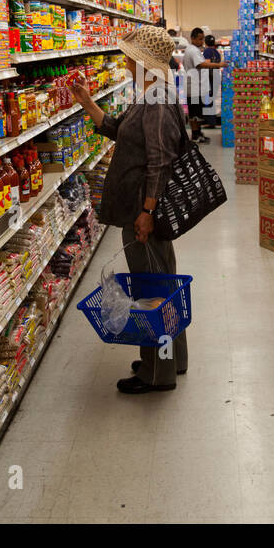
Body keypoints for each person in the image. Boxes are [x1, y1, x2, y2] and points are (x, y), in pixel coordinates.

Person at [71, 25, 189, 394]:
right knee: (162, 282)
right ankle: (171, 359)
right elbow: (116, 129)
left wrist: (147, 212)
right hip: (143, 210)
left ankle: (157, 374)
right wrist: (87, 102)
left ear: (143, 62)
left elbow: (160, 162)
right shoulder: (151, 95)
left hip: (144, 212)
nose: (123, 62)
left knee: (152, 289)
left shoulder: (157, 101)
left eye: (129, 57)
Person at [180, 27, 222, 143]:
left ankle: (198, 132)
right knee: (194, 113)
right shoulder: (192, 50)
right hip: (194, 88)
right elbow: (201, 65)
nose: (201, 41)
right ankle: (195, 135)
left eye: (202, 39)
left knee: (197, 112)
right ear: (192, 38)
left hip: (196, 87)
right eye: (199, 39)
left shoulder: (194, 49)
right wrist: (219, 64)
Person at [201, 34, 223, 125]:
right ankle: (212, 119)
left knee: (207, 99)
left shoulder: (207, 52)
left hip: (209, 77)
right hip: (216, 75)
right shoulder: (217, 52)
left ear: (205, 43)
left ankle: (209, 121)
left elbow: (207, 64)